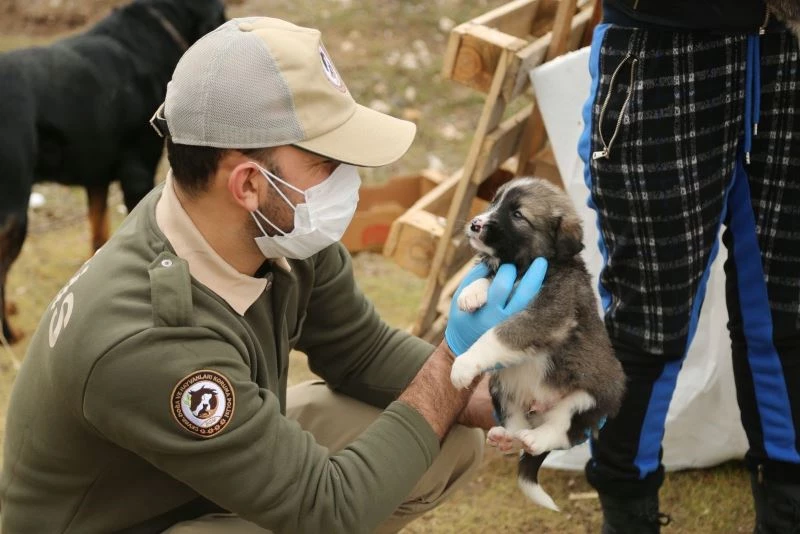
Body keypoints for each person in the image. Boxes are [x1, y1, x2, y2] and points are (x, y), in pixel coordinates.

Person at [0, 16, 549, 534]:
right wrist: (453, 357)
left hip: (182, 483)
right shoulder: (150, 336)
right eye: (327, 162)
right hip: (127, 521)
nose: (348, 180)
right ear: (247, 185)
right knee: (389, 453)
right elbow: (329, 510)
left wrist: (496, 394)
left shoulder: (271, 229)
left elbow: (359, 352)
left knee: (447, 433)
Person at [579, 1, 800, 532]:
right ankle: (628, 513)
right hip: (662, 48)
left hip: (789, 52)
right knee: (648, 324)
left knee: (787, 311)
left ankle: (788, 510)